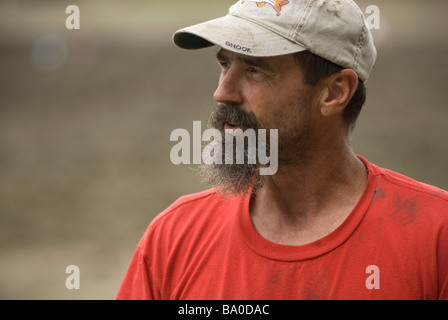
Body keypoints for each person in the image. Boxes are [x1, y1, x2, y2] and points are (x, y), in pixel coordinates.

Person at [116, 0, 448, 300]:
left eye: (254, 70)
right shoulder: (173, 239)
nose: (222, 92)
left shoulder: (435, 237)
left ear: (334, 92)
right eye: (224, 65)